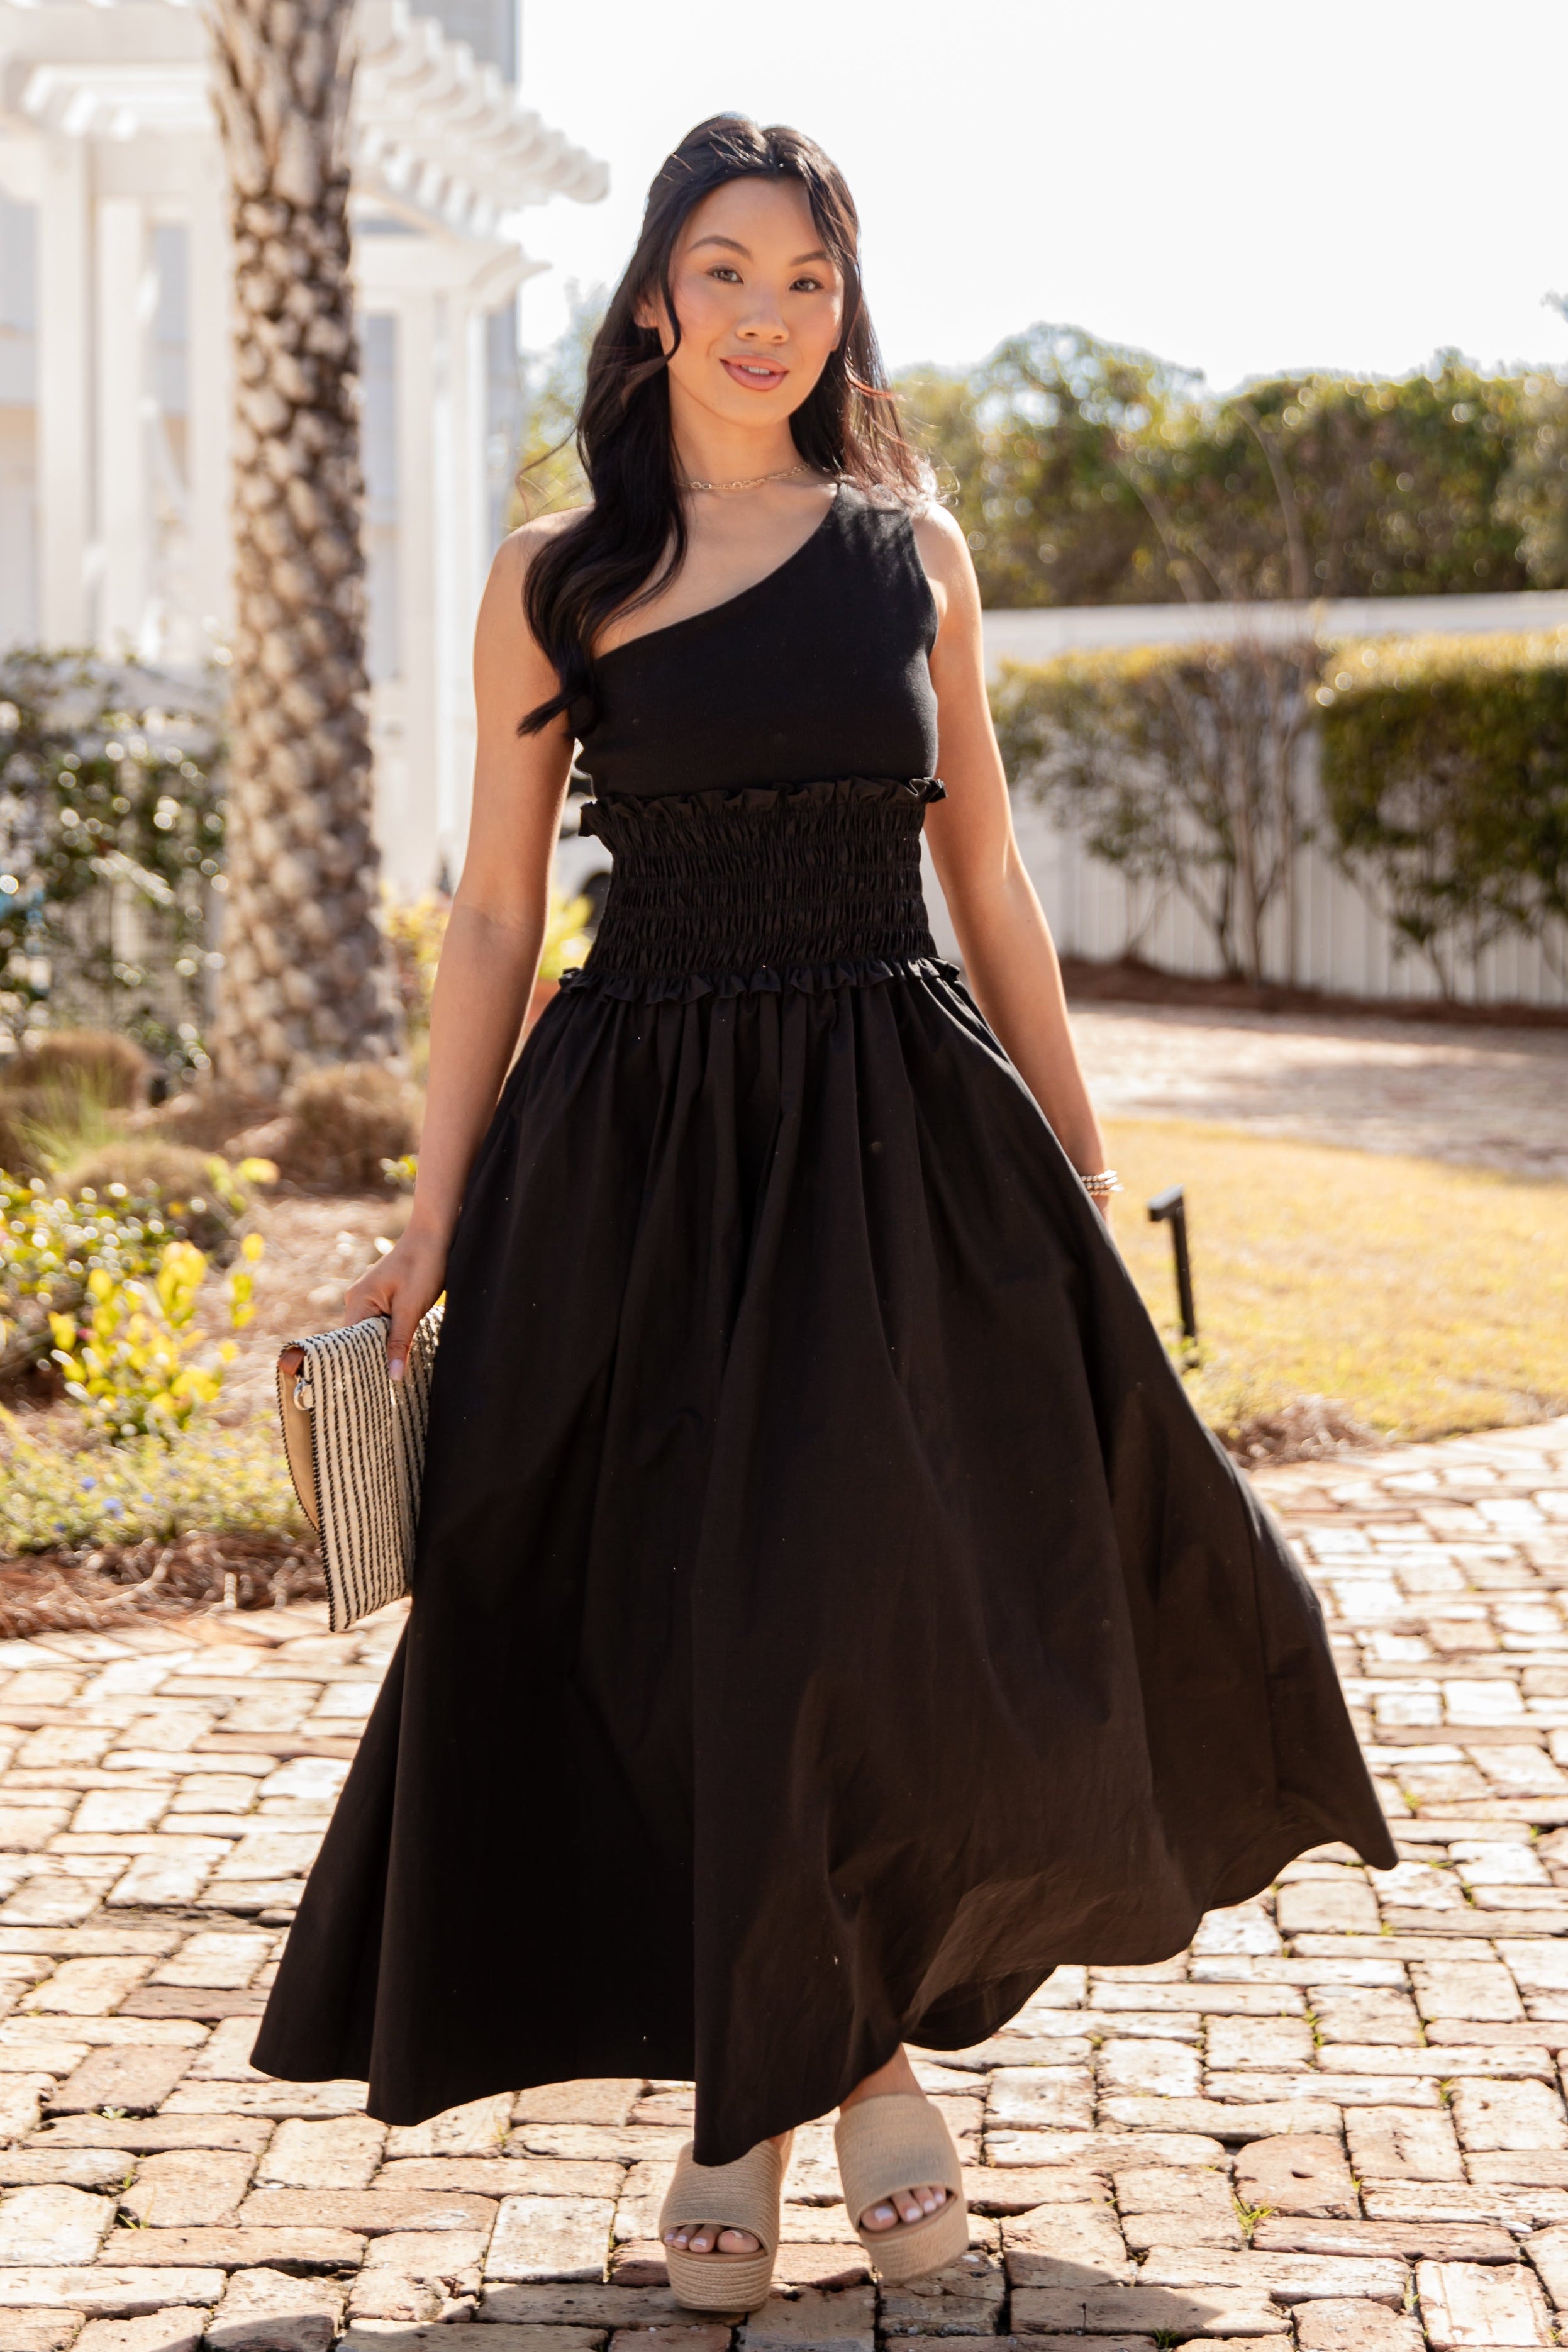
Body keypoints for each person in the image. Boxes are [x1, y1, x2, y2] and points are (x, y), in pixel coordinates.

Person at [252, 114, 1395, 2312]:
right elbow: (495, 915)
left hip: (895, 1146)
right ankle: (821, 2083)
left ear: (842, 305)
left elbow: (991, 879)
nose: (772, 313)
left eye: (810, 275)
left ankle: (801, 2081)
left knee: (865, 1602)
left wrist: (1072, 1153)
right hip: (638, 1154)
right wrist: (433, 1217)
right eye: (728, 268)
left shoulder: (916, 555)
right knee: (680, 1616)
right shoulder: (557, 576)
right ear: (655, 298)